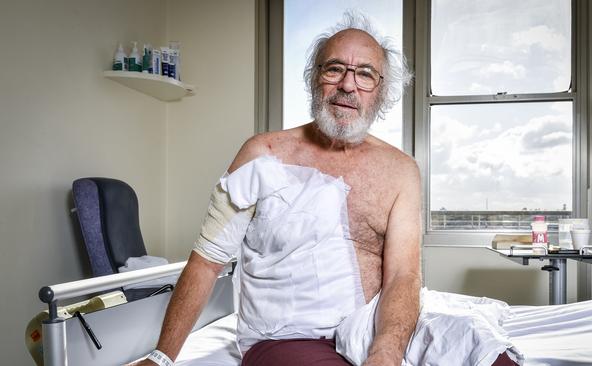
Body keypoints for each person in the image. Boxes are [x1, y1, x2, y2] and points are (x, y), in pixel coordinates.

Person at [131, 12, 518, 366]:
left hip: (378, 323)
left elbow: (403, 276)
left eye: (365, 74)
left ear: (381, 91)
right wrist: (162, 358)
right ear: (315, 78)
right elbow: (206, 262)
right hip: (288, 335)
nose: (348, 84)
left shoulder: (401, 171)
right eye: (336, 69)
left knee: (490, 357)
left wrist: (386, 350)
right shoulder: (262, 155)